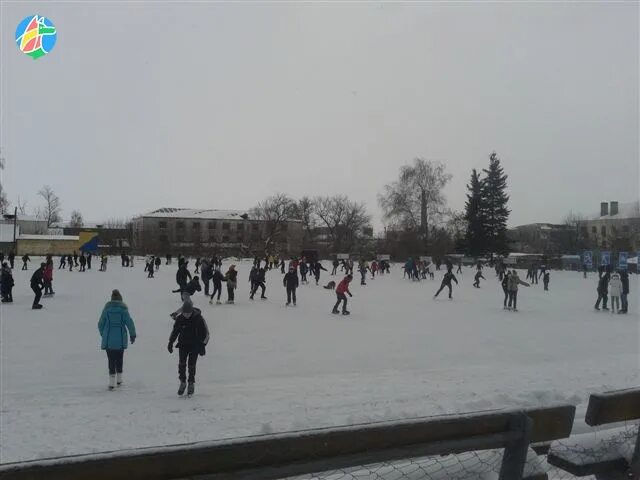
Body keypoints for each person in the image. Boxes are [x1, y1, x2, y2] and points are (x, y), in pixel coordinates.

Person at [168, 298, 209, 396]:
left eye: (188, 313)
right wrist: (170, 342)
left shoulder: (198, 318)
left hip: (195, 345)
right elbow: (175, 331)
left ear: (191, 311)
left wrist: (202, 345)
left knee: (191, 365)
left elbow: (206, 333)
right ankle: (183, 381)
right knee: (182, 364)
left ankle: (191, 382)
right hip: (183, 344)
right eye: (184, 313)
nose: (186, 315)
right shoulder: (180, 319)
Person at [98, 289, 136, 390]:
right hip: (120, 337)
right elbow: (129, 322)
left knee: (111, 359)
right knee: (119, 358)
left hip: (109, 337)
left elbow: (100, 323)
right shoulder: (123, 310)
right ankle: (119, 380)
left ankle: (111, 382)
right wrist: (133, 335)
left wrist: (103, 334)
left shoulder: (106, 309)